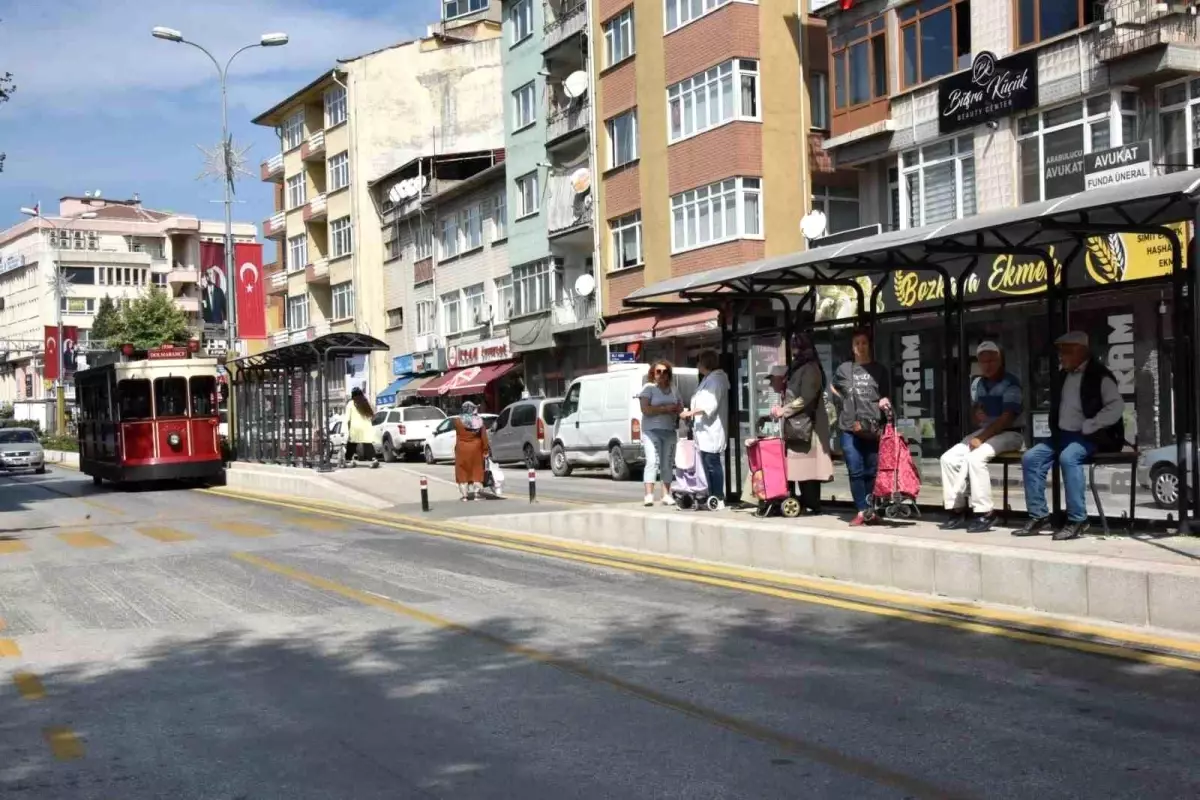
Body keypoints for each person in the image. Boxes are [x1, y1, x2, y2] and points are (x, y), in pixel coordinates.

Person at [1017, 331, 1125, 541]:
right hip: (1062, 435)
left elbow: (1116, 406)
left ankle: (1077, 520)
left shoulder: (1100, 375)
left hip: (1090, 437)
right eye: (1061, 351)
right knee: (1031, 458)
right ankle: (1039, 516)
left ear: (1082, 351)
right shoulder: (1062, 375)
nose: (1061, 356)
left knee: (1069, 458)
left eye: (1066, 351)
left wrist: (1092, 425)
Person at [939, 341, 1025, 533]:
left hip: (1011, 433)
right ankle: (957, 509)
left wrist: (981, 438)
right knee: (948, 459)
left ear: (1000, 359)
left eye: (992, 360)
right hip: (987, 431)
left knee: (976, 457)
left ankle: (985, 513)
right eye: (983, 361)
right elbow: (976, 414)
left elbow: (1006, 418)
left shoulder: (1011, 383)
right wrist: (975, 413)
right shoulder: (978, 384)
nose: (987, 365)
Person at [831, 327, 892, 526]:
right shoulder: (843, 369)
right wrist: (843, 406)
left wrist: (884, 402)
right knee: (855, 469)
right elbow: (833, 388)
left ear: (869, 345)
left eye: (864, 343)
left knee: (871, 471)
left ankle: (870, 510)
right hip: (849, 428)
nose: (861, 347)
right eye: (857, 343)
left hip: (873, 429)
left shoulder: (879, 370)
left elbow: (886, 395)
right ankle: (861, 510)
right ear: (852, 347)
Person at [770, 333, 834, 513]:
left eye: (797, 346)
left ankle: (811, 503)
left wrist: (785, 410)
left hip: (809, 425)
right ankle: (800, 502)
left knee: (809, 469)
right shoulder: (798, 367)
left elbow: (806, 397)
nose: (794, 351)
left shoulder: (810, 369)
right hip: (797, 425)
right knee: (798, 467)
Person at [681, 350, 729, 508]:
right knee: (707, 463)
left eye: (699, 362)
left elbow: (710, 406)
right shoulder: (708, 379)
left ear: (705, 364)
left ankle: (718, 497)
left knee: (712, 463)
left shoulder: (715, 381)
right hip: (704, 430)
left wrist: (691, 412)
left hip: (711, 430)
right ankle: (711, 495)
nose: (697, 365)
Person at [639, 360, 682, 507]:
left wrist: (678, 410)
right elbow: (645, 409)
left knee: (667, 463)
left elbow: (680, 406)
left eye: (665, 372)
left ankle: (666, 495)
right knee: (652, 461)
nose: (662, 375)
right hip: (651, 431)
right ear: (653, 373)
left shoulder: (673, 389)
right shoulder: (648, 388)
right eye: (658, 371)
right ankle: (649, 495)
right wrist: (665, 409)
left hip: (669, 430)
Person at [453, 400, 490, 501]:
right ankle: (477, 494)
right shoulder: (479, 421)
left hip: (462, 449)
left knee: (462, 471)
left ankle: (464, 495)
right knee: (477, 470)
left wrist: (456, 449)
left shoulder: (457, 421)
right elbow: (484, 437)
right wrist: (485, 450)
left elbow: (458, 436)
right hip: (476, 449)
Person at [344, 387, 380, 468]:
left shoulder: (351, 403)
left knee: (351, 444)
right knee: (367, 444)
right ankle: (374, 459)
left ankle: (348, 460)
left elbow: (347, 418)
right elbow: (373, 416)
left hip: (355, 428)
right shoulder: (365, 402)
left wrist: (347, 429)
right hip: (366, 427)